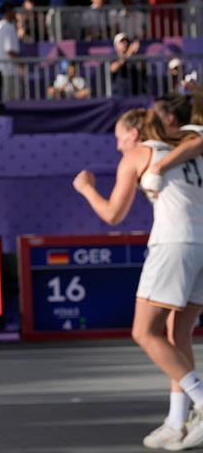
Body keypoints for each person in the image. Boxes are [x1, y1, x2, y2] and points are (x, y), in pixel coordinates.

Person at [73, 109, 203, 450]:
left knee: (143, 332)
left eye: (119, 137)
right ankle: (177, 422)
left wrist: (87, 189)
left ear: (134, 133)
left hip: (173, 244)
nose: (117, 146)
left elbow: (113, 214)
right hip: (201, 245)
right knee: (177, 335)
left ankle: (201, 400)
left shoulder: (138, 153)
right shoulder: (191, 149)